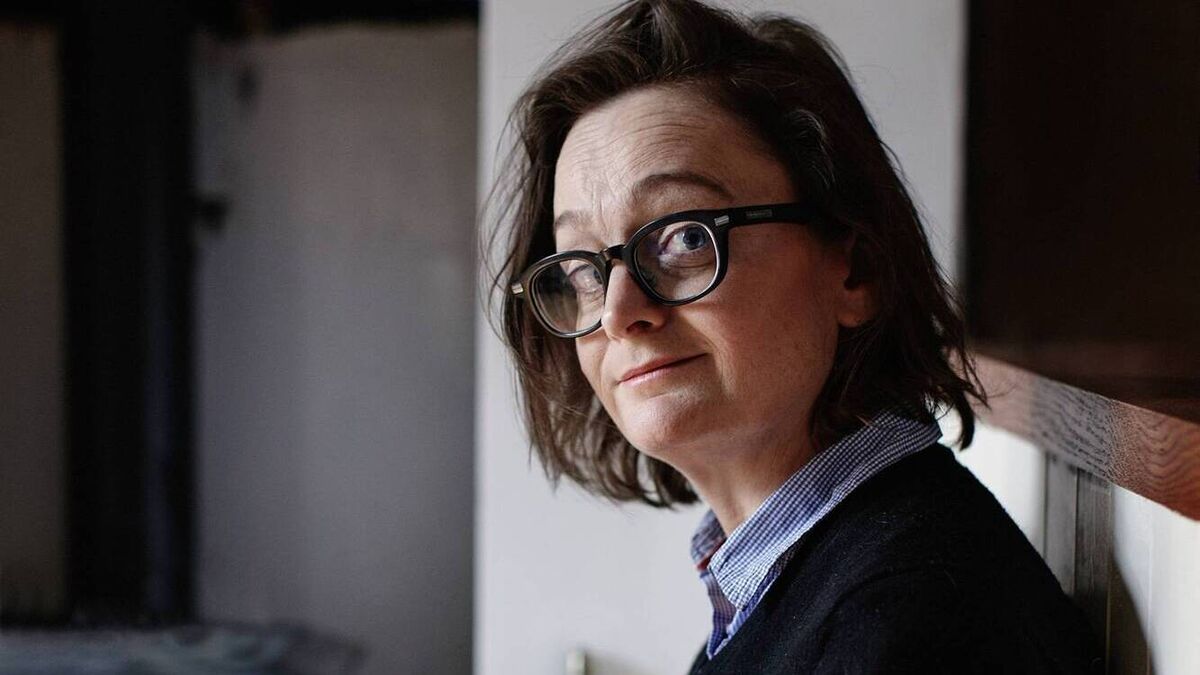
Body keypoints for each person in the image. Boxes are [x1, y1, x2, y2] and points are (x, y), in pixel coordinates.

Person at [486, 0, 1101, 672]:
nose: (617, 312)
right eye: (582, 267)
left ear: (856, 271)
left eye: (685, 238)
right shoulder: (791, 585)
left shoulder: (913, 618)